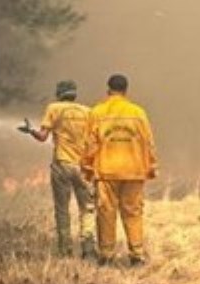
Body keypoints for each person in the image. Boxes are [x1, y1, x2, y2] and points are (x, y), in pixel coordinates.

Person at [81, 74, 158, 267]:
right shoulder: (138, 112)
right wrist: (151, 166)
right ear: (126, 90)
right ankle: (137, 255)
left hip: (106, 170)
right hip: (134, 170)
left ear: (108, 89)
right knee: (133, 212)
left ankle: (107, 255)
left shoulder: (97, 112)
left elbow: (90, 143)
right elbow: (148, 142)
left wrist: (87, 167)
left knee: (106, 212)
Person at [29, 80, 96, 259]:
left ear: (59, 94)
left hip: (62, 164)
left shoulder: (54, 108)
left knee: (62, 208)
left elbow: (43, 137)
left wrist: (30, 131)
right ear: (74, 94)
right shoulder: (88, 111)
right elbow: (93, 140)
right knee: (87, 208)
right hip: (83, 167)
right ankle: (88, 248)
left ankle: (65, 249)